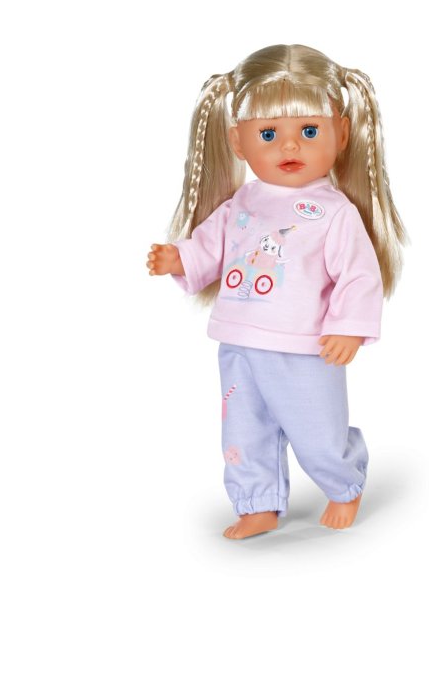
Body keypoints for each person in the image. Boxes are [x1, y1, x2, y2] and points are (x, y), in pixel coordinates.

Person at [146, 44, 406, 539]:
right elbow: (211, 245)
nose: (290, 147)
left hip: (305, 348)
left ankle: (343, 482)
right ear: (239, 142)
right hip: (239, 343)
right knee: (244, 432)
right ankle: (257, 502)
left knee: (317, 431)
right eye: (269, 134)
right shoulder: (243, 202)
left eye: (309, 131)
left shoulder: (334, 212)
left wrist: (348, 328)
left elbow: (359, 274)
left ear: (341, 134)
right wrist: (181, 258)